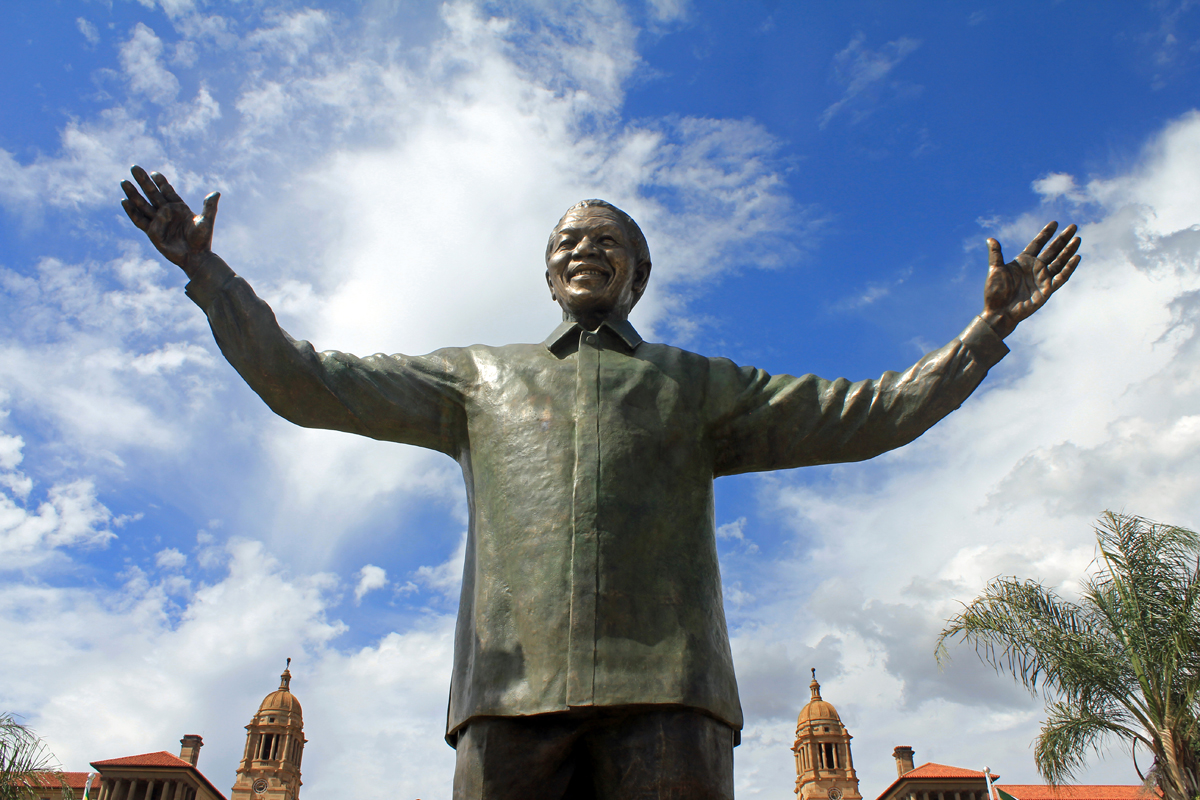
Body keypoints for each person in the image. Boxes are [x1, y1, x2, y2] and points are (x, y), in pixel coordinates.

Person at [120, 166, 1080, 800]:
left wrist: (982, 335)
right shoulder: (475, 378)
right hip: (507, 696)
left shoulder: (697, 385)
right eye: (564, 244)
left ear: (639, 274)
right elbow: (305, 381)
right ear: (547, 276)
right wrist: (208, 274)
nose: (582, 250)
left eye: (604, 241)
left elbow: (868, 414)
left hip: (670, 695)